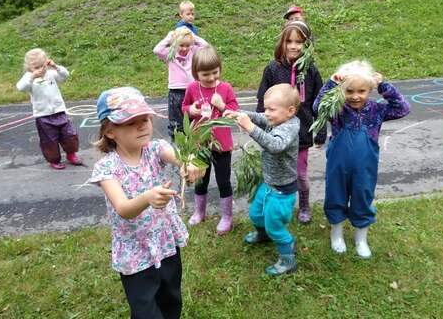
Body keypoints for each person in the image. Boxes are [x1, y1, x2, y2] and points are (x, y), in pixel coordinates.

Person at [90, 86, 205, 319]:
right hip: (135, 252)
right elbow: (123, 208)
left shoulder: (155, 149)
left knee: (171, 299)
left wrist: (190, 164)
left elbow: (178, 158)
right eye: (131, 122)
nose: (142, 126)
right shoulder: (107, 168)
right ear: (110, 131)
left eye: (145, 119)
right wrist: (147, 198)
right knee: (144, 310)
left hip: (165, 242)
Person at [313, 60, 410, 258]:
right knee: (335, 196)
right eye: (349, 91)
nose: (355, 96)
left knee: (362, 197)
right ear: (342, 92)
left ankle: (361, 239)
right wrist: (331, 84)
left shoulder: (377, 110)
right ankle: (336, 234)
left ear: (370, 90)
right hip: (337, 166)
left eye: (362, 91)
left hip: (365, 168)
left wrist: (384, 86)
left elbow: (403, 108)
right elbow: (318, 107)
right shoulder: (337, 110)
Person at [224, 83, 300, 276]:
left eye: (271, 109)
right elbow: (260, 118)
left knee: (275, 226)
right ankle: (263, 234)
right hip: (268, 184)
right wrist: (239, 114)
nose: (266, 113)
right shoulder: (277, 119)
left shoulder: (289, 127)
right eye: (266, 108)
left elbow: (275, 145)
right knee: (256, 214)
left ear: (290, 111)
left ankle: (287, 257)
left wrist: (250, 128)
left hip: (282, 191)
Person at [256, 20, 325, 225]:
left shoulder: (311, 71)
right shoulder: (272, 69)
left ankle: (303, 205)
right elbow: (262, 99)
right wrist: (262, 126)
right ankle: (274, 204)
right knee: (274, 171)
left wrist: (320, 133)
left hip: (302, 133)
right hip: (276, 133)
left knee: (301, 174)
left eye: (299, 42)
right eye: (290, 41)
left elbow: (319, 104)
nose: (294, 46)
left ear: (307, 44)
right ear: (283, 42)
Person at [181, 46, 239, 235]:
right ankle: (199, 211)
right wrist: (192, 110)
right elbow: (184, 107)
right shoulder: (192, 88)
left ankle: (227, 216)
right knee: (200, 180)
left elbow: (234, 113)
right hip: (200, 143)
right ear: (196, 73)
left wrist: (221, 106)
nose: (212, 77)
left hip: (221, 145)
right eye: (206, 74)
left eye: (215, 72)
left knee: (223, 180)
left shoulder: (225, 88)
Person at [16, 48, 83, 169]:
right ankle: (54, 159)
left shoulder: (51, 73)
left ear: (47, 62)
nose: (40, 70)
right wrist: (32, 77)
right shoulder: (28, 78)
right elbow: (20, 87)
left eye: (43, 66)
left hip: (59, 110)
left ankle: (71, 154)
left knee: (69, 135)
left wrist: (56, 66)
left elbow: (65, 75)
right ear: (29, 68)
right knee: (49, 140)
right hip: (43, 115)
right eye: (36, 68)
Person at [153, 27, 209, 140]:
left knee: (195, 116)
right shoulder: (170, 53)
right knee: (176, 120)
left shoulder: (193, 52)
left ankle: (195, 140)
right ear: (175, 44)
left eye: (187, 45)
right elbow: (157, 50)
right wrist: (169, 37)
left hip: (193, 90)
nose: (184, 48)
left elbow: (205, 46)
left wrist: (193, 37)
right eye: (181, 45)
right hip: (176, 91)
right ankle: (176, 141)